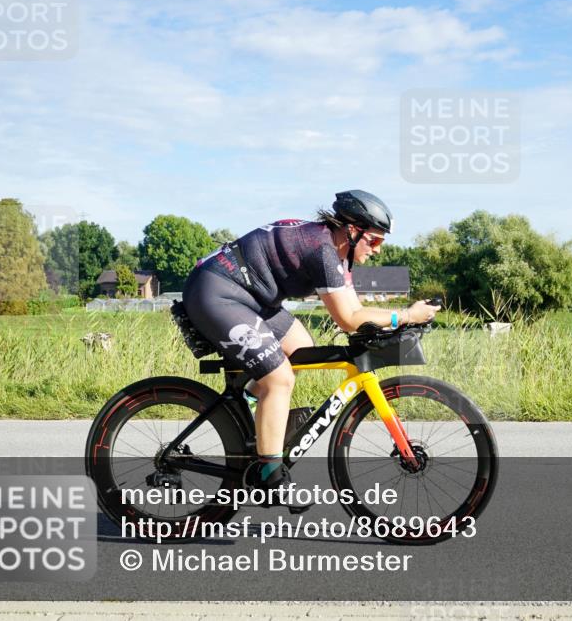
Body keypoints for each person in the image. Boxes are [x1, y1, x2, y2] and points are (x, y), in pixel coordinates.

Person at [181, 190, 440, 499]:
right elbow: (349, 319)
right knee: (279, 379)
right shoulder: (322, 250)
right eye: (375, 241)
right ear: (352, 231)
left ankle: (250, 412)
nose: (378, 250)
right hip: (218, 291)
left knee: (301, 347)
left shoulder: (335, 250)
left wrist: (397, 320)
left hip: (251, 297)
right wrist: (408, 314)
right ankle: (270, 473)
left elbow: (357, 312)